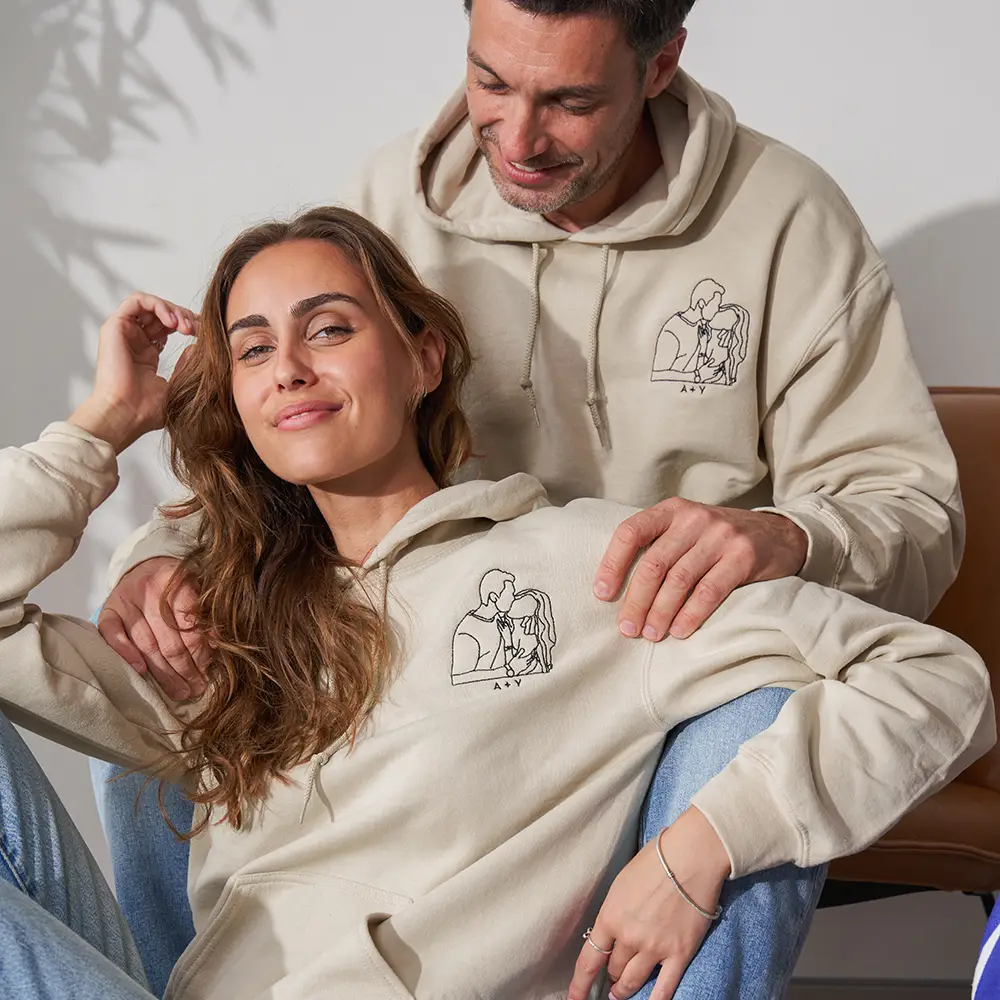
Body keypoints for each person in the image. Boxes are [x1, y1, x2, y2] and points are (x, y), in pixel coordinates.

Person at [92, 0, 965, 992]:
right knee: (152, 653)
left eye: (570, 100)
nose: (516, 139)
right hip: (449, 677)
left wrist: (783, 536)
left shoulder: (787, 218)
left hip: (666, 648)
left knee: (755, 715)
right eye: (491, 83)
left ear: (660, 65)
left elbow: (909, 509)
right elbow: (289, 418)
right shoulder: (390, 202)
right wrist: (157, 563)